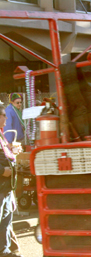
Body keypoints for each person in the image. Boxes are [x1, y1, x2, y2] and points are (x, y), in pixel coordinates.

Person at [0, 105, 23, 257]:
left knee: (6, 221)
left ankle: (4, 250)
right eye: (3, 115)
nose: (6, 118)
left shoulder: (1, 135)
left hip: (6, 187)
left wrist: (12, 150)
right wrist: (2, 171)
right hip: (1, 185)